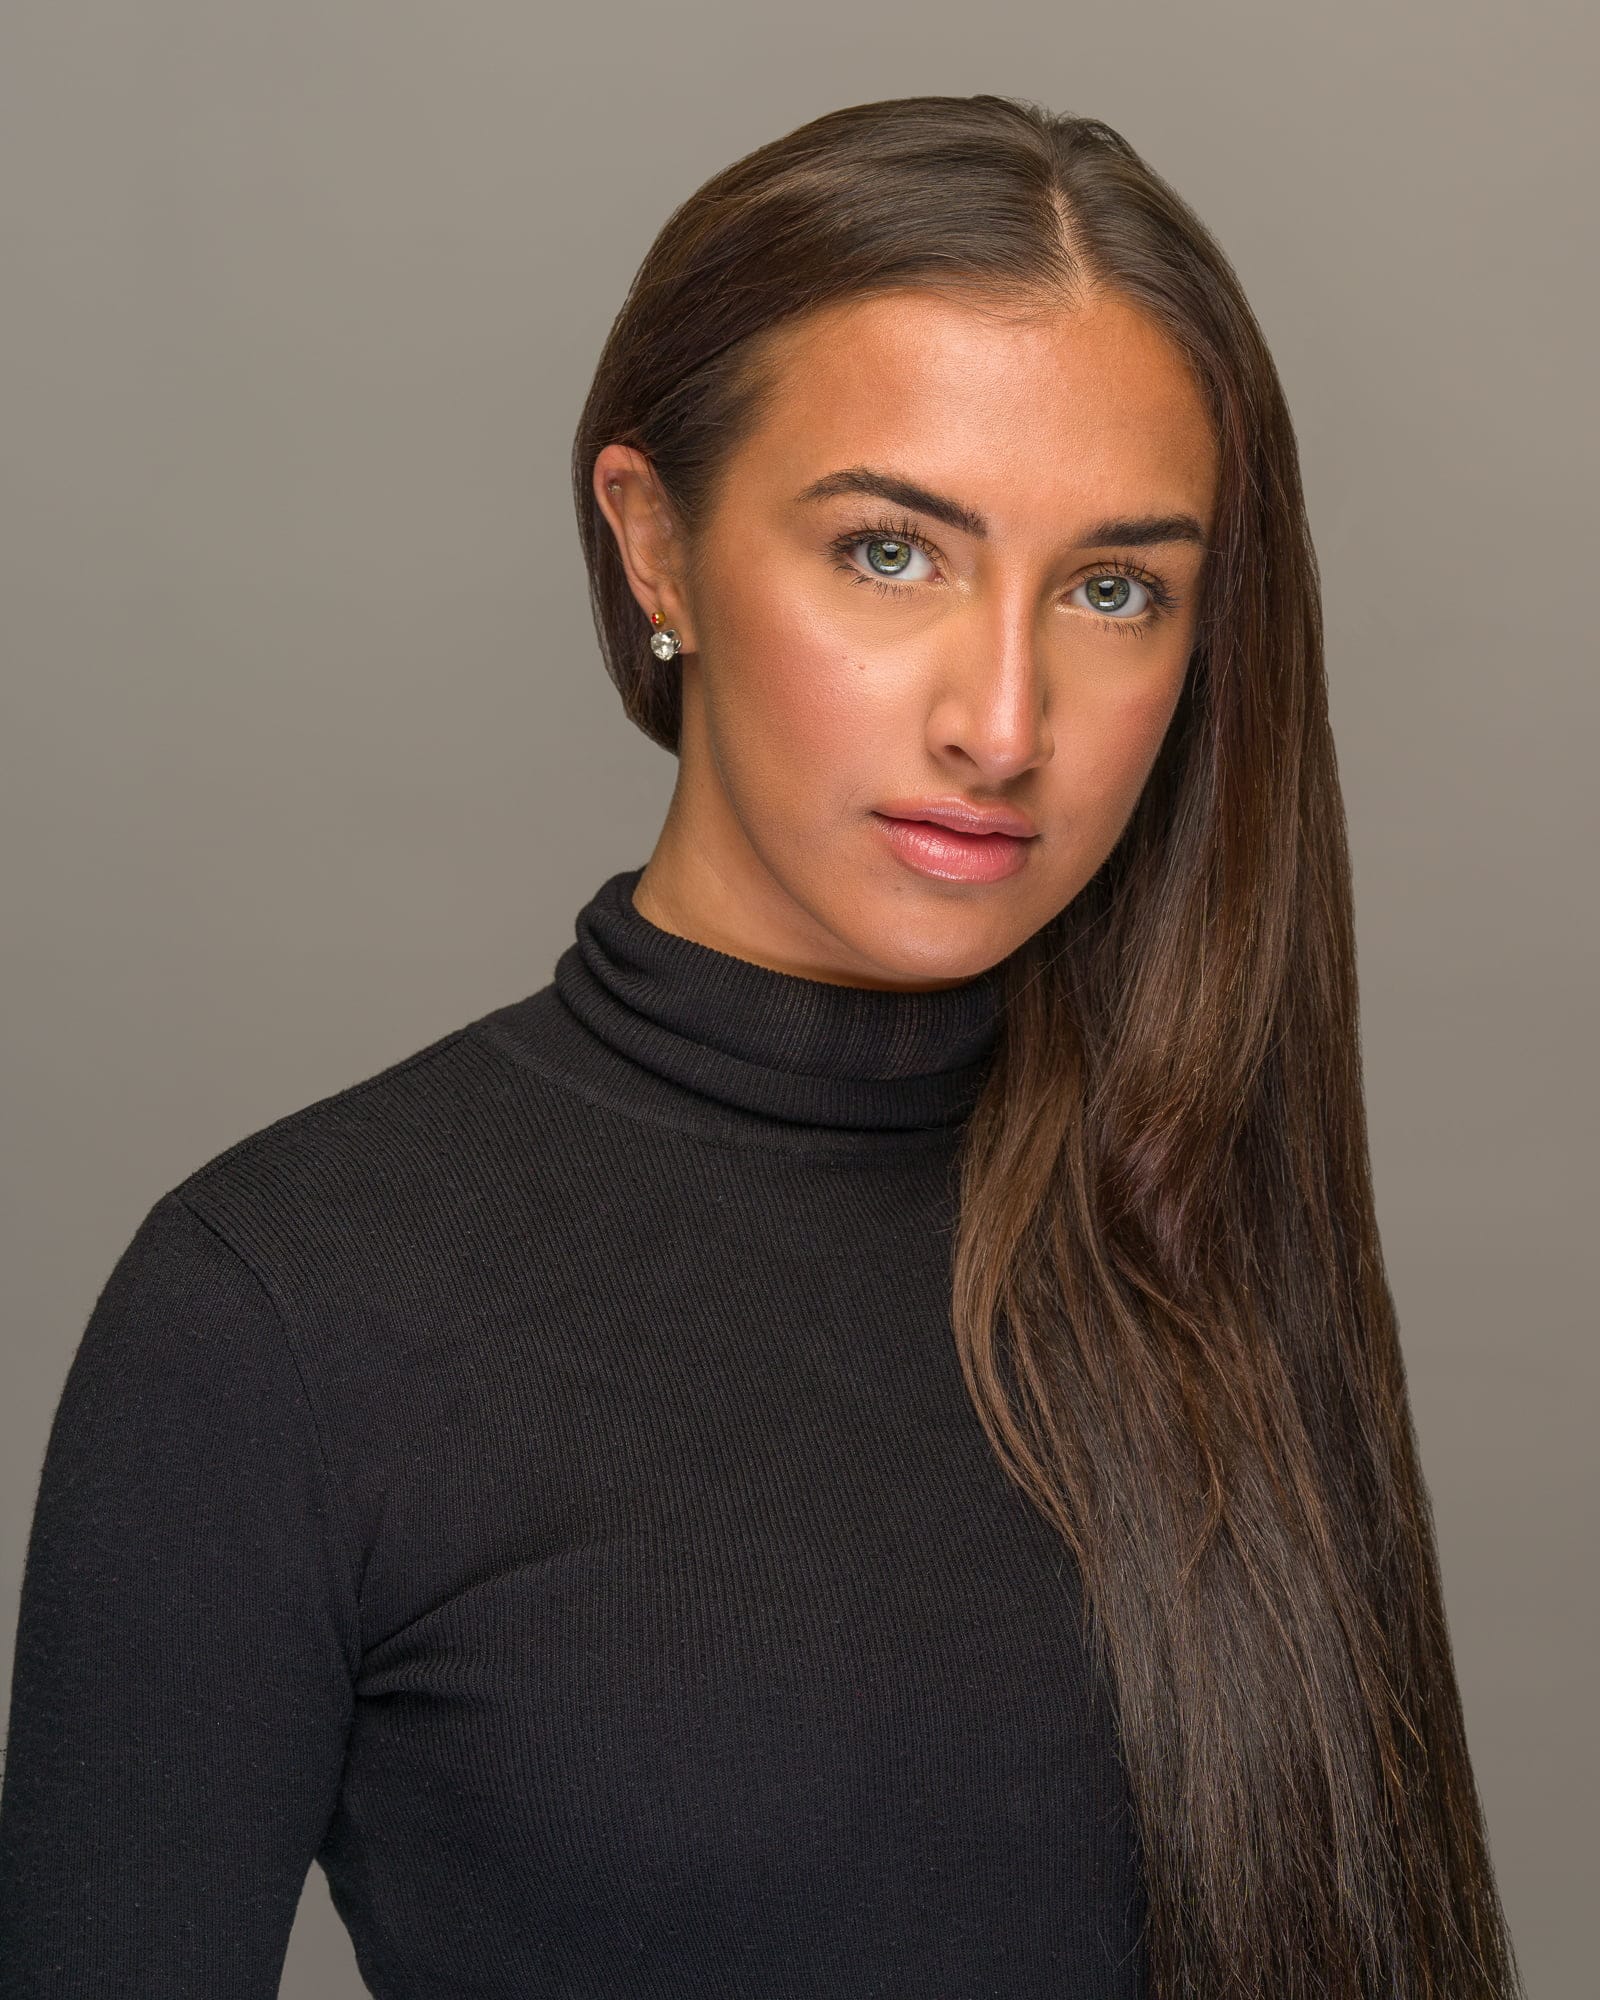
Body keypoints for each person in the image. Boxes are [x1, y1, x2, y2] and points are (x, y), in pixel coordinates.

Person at [0, 94, 1524, 2000]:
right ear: (655, 545)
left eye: (1113, 588)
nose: (1003, 722)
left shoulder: (1194, 1216)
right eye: (892, 552)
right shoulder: (279, 1315)